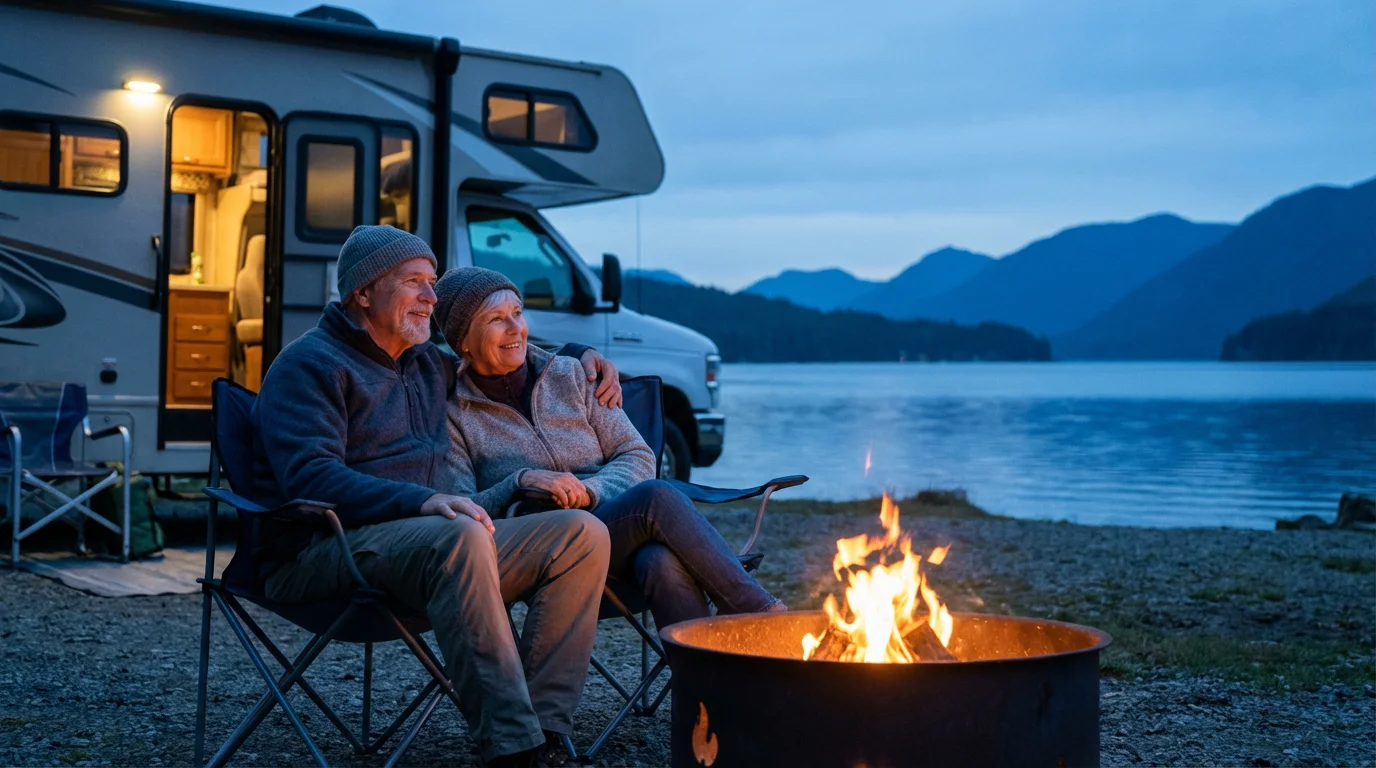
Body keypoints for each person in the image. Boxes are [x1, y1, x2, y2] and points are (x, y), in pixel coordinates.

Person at [250, 225, 623, 767]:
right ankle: (511, 748)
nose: (432, 297)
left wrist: (580, 357)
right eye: (415, 283)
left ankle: (543, 729)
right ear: (362, 294)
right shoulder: (309, 365)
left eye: (433, 283)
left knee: (582, 534)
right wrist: (418, 501)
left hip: (434, 549)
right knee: (460, 536)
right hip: (323, 550)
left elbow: (503, 347)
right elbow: (310, 479)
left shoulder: (427, 362)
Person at [435, 266, 786, 630]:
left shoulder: (572, 375)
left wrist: (590, 491)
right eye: (496, 319)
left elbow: (637, 455)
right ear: (463, 339)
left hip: (611, 533)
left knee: (659, 560)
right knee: (657, 497)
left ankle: (703, 682)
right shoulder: (454, 413)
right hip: (535, 550)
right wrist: (519, 481)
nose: (515, 329)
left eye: (518, 313)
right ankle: (757, 613)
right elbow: (461, 506)